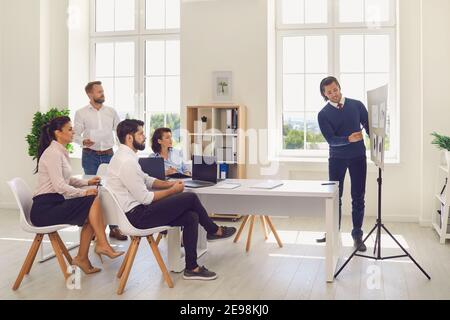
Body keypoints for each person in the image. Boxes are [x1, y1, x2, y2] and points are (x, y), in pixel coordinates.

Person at [107, 119, 237, 280]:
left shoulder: (126, 157)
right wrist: (172, 189)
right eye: (140, 133)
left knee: (191, 217)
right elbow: (146, 198)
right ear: (129, 138)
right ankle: (214, 230)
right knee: (190, 197)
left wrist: (171, 183)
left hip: (138, 212)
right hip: (137, 217)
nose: (144, 137)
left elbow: (147, 180)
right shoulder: (126, 162)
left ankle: (192, 268)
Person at [30, 116, 124, 274]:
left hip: (54, 203)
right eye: (70, 129)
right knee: (92, 198)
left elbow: (66, 180)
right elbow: (60, 186)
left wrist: (87, 183)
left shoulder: (60, 150)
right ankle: (102, 244)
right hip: (44, 209)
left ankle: (83, 257)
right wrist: (84, 192)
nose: (73, 132)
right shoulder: (53, 153)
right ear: (58, 133)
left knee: (90, 216)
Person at [317, 76, 369, 252]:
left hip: (358, 157)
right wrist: (349, 138)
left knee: (358, 197)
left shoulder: (357, 105)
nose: (334, 94)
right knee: (335, 197)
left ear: (339, 87)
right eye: (329, 92)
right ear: (324, 94)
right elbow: (331, 140)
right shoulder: (323, 114)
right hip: (337, 159)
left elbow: (370, 127)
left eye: (335, 89)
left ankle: (357, 236)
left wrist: (377, 143)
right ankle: (332, 233)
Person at [74, 81, 127, 241]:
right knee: (92, 191)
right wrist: (83, 141)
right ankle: (92, 228)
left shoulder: (111, 111)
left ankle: (114, 228)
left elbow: (120, 132)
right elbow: (75, 134)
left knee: (112, 190)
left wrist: (122, 151)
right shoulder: (81, 113)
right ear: (90, 94)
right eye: (99, 92)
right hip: (90, 155)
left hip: (109, 155)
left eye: (102, 91)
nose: (102, 94)